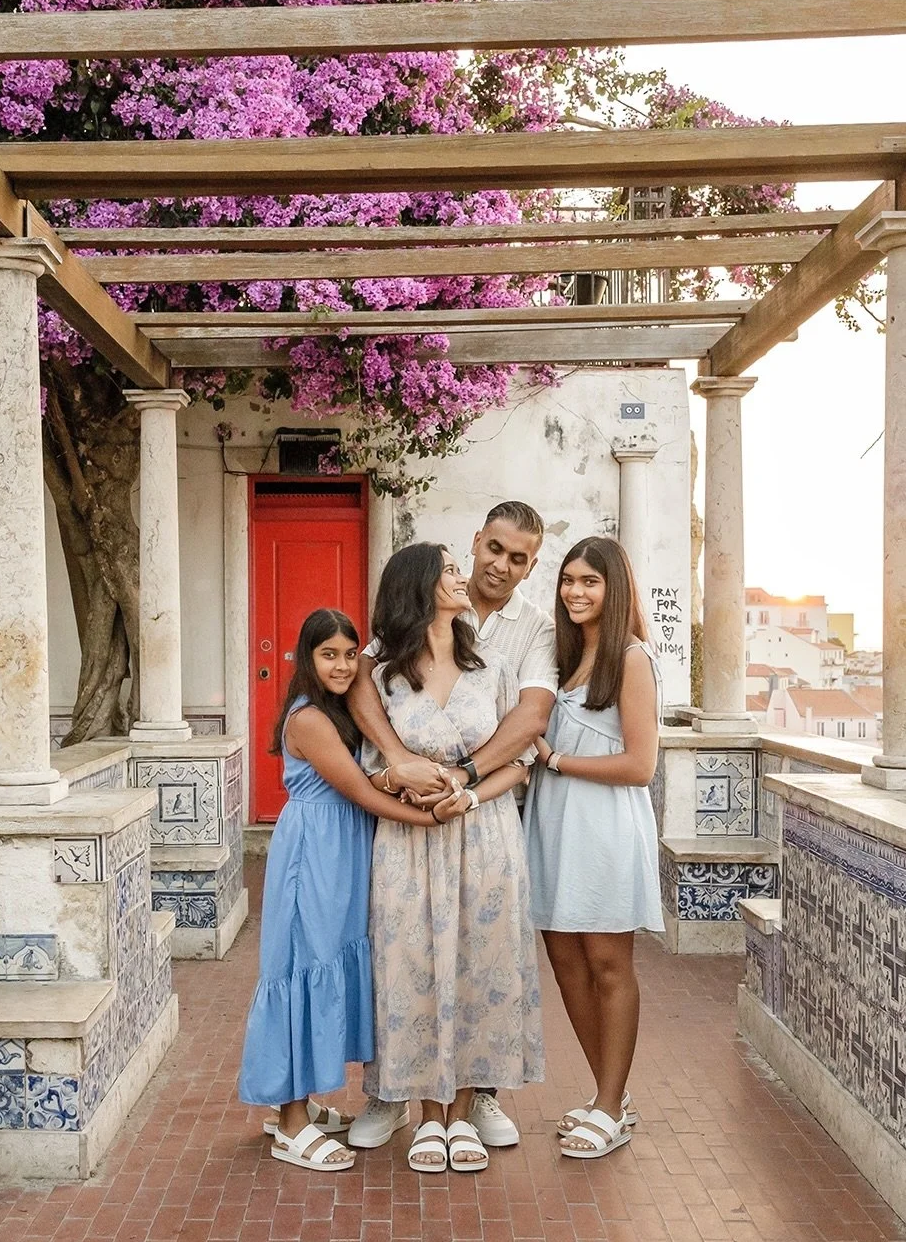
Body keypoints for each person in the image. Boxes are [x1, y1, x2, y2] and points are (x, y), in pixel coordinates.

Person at [347, 500, 557, 1150]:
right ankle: (404, 1099)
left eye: (517, 558)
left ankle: (468, 1104)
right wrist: (400, 774)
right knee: (404, 965)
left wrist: (465, 789)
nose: (488, 569)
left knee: (481, 965)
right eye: (488, 551)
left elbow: (524, 746)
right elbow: (366, 756)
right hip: (406, 840)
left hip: (483, 833)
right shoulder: (385, 665)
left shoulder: (501, 658)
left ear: (530, 565)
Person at [237, 608, 437, 1172]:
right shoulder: (307, 719)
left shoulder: (340, 710)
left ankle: (295, 1104)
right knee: (301, 965)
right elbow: (362, 792)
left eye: (350, 654)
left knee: (326, 959)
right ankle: (290, 1122)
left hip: (342, 849)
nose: (344, 665)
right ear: (307, 658)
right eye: (329, 655)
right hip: (314, 853)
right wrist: (436, 818)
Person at [523, 536, 663, 1160]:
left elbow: (640, 765)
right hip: (554, 824)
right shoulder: (563, 656)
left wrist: (556, 759)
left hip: (603, 827)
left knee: (608, 964)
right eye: (568, 580)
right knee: (566, 962)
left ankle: (608, 1105)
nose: (575, 592)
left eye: (590, 582)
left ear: (615, 588)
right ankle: (613, 1095)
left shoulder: (630, 659)